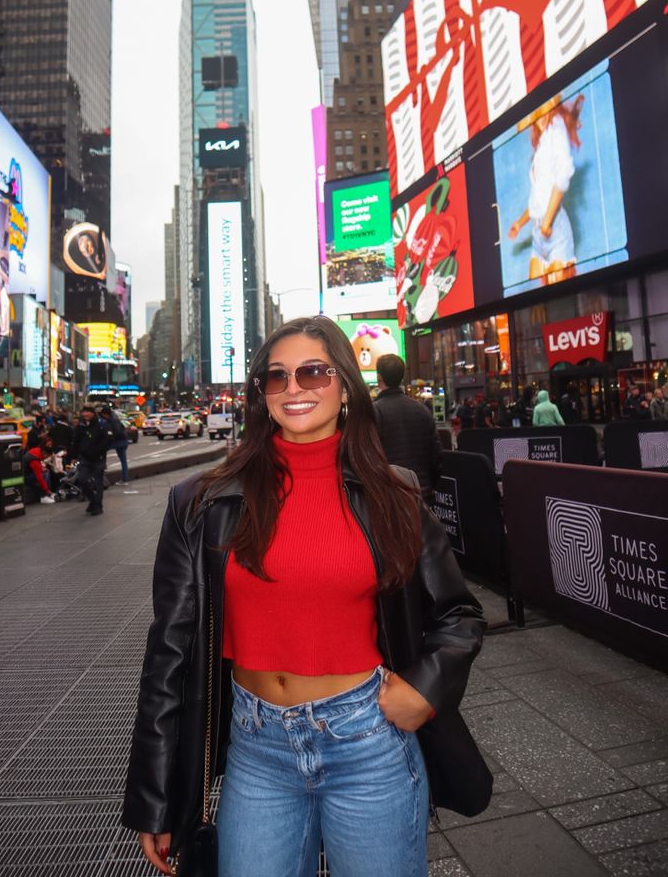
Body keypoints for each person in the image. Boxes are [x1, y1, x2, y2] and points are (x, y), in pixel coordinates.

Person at [122, 316, 485, 877]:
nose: (294, 388)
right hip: (256, 748)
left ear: (344, 385)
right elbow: (169, 651)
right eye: (276, 377)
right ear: (260, 395)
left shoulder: (395, 493)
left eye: (313, 372)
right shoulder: (201, 502)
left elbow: (458, 613)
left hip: (368, 741)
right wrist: (157, 796)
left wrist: (425, 688)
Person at [508, 94, 583, 285]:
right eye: (536, 112)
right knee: (536, 292)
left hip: (555, 228)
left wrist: (547, 222)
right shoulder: (542, 142)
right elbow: (538, 198)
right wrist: (519, 222)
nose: (540, 116)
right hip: (539, 232)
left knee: (559, 291)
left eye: (543, 110)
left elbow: (563, 176)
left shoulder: (556, 128)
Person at [373, 353, 442, 500]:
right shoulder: (421, 409)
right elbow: (436, 454)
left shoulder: (374, 412)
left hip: (390, 495)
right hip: (421, 493)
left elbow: (369, 457)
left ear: (379, 378)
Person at [70, 405, 109, 515]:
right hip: (85, 459)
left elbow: (107, 441)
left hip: (98, 458)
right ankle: (93, 501)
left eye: (87, 412)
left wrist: (97, 451)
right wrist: (73, 456)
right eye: (84, 412)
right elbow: (75, 441)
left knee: (98, 482)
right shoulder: (80, 426)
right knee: (82, 480)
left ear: (92, 413)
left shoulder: (101, 424)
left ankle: (98, 506)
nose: (85, 414)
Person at [101, 404, 129, 483]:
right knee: (123, 460)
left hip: (119, 441)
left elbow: (115, 433)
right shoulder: (113, 419)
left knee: (102, 450)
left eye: (103, 415)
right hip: (122, 441)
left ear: (106, 414)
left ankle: (103, 469)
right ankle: (125, 478)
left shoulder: (113, 420)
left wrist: (107, 440)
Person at [23, 436, 56, 504]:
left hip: (26, 473)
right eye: (47, 456)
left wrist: (41, 468)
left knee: (45, 472)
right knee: (45, 475)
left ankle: (48, 494)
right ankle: (44, 496)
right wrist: (47, 490)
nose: (46, 458)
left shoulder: (37, 451)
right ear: (44, 453)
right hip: (25, 476)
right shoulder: (34, 459)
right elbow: (39, 477)